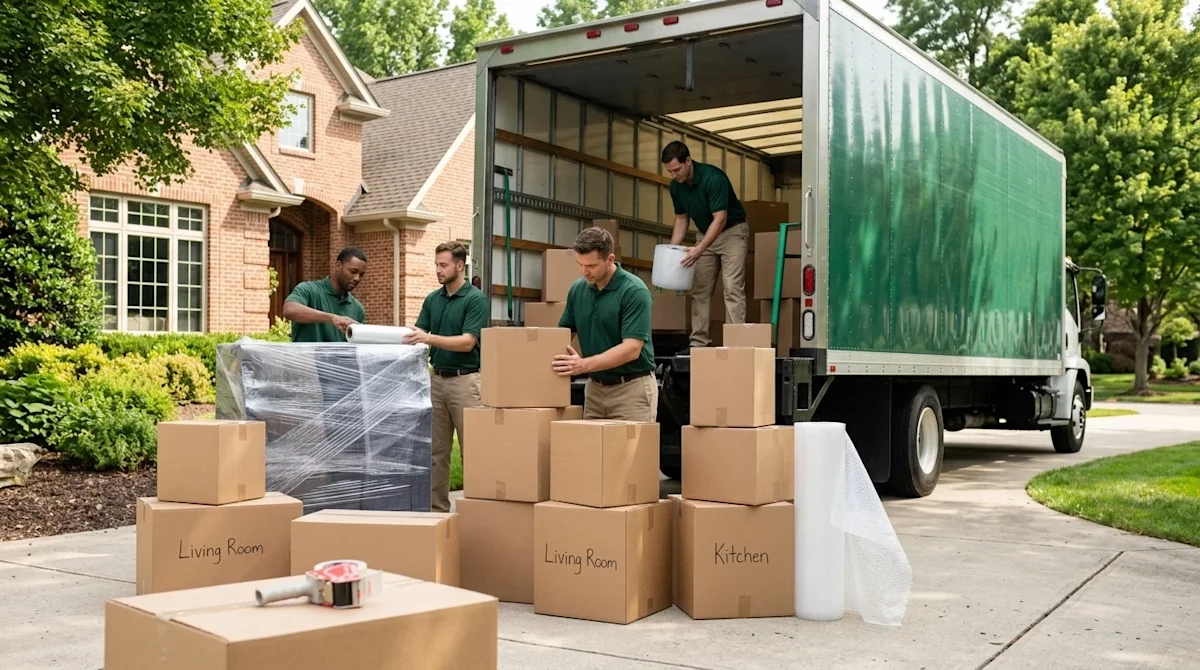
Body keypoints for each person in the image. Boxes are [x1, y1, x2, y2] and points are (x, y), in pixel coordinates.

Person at [404, 241, 489, 513]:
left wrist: (428, 338)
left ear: (459, 265)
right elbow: (419, 334)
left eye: (443, 265)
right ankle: (437, 512)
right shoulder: (433, 299)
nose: (438, 270)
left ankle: (477, 512)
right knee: (436, 452)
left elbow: (467, 342)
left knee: (473, 450)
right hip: (436, 380)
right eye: (436, 265)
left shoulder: (475, 299)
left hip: (466, 381)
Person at [553, 227, 658, 423]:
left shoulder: (634, 291)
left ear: (610, 260)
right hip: (594, 389)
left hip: (631, 391)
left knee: (631, 453)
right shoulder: (578, 289)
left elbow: (632, 349)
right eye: (580, 264)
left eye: (591, 265)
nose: (584, 271)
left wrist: (583, 365)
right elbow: (563, 333)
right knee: (591, 452)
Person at [661, 140, 750, 348]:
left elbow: (720, 219)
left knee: (732, 287)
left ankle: (735, 343)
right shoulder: (676, 187)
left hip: (732, 232)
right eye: (670, 171)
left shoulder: (714, 178)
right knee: (700, 289)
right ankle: (698, 342)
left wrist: (699, 250)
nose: (674, 175)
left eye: (677, 169)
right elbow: (681, 219)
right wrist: (671, 251)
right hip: (705, 233)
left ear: (688, 161)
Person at [281, 247, 368, 342]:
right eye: (353, 272)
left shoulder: (358, 309)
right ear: (338, 266)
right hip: (305, 357)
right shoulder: (309, 289)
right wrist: (331, 318)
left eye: (361, 275)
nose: (357, 278)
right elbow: (289, 310)